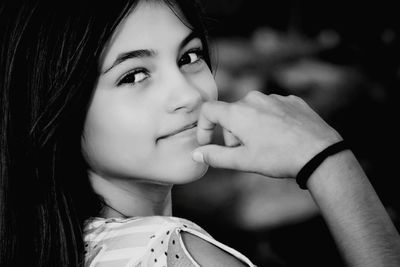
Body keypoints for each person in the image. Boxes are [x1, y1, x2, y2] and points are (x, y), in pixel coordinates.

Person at [0, 0, 399, 267]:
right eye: (134, 75)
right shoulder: (171, 249)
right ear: (59, 107)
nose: (189, 94)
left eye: (189, 57)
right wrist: (328, 160)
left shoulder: (79, 247)